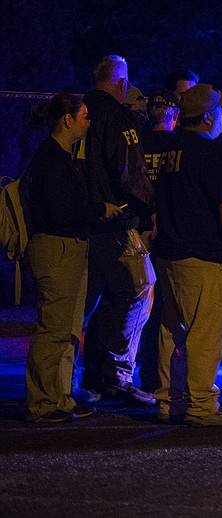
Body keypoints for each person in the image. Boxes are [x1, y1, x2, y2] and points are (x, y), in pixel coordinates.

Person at [24, 94, 122, 423]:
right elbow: (61, 210)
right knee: (53, 330)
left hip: (69, 246)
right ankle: (43, 403)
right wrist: (99, 210)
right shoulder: (51, 158)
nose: (88, 122)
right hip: (57, 247)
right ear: (67, 119)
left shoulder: (62, 156)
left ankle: (60, 397)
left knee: (66, 330)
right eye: (84, 116)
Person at [152, 83, 222, 426]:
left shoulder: (170, 150)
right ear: (207, 117)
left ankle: (168, 400)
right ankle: (202, 406)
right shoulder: (214, 152)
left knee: (172, 330)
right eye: (221, 111)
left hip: (169, 252)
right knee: (205, 333)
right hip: (202, 254)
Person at [78, 55, 157, 405]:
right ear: (122, 84)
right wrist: (148, 210)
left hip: (79, 224)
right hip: (115, 224)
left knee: (89, 302)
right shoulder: (116, 116)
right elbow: (130, 173)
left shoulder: (76, 115)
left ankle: (87, 376)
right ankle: (117, 375)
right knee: (140, 289)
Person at [136, 89, 182, 393]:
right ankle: (163, 377)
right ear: (175, 117)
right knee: (167, 307)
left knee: (138, 305)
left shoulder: (137, 144)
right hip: (168, 232)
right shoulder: (178, 147)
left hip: (137, 231)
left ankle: (143, 372)